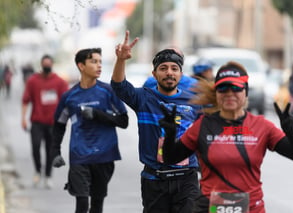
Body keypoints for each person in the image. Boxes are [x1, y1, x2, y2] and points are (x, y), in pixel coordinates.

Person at [159, 61, 293, 213]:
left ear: (246, 92)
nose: (229, 93)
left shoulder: (262, 126)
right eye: (223, 88)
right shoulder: (203, 125)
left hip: (251, 208)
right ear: (217, 93)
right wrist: (170, 135)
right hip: (209, 207)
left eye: (236, 88)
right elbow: (171, 158)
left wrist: (290, 131)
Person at [111, 31, 201, 213]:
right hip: (154, 180)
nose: (169, 72)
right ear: (154, 73)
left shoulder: (195, 103)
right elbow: (119, 87)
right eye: (163, 68)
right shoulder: (143, 98)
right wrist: (121, 60)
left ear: (181, 74)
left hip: (187, 180)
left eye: (174, 69)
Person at [50, 48, 129, 213]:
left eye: (100, 62)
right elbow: (59, 125)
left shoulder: (107, 92)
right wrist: (55, 152)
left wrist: (97, 114)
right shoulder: (69, 97)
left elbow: (124, 121)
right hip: (79, 155)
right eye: (94, 62)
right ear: (81, 66)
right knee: (82, 203)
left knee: (97, 204)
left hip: (105, 155)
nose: (99, 66)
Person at [21, 54, 69, 189]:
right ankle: (37, 171)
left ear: (52, 65)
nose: (47, 66)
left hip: (53, 123)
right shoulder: (33, 81)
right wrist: (23, 118)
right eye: (45, 64)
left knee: (50, 151)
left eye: (49, 64)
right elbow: (25, 100)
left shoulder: (59, 82)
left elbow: (67, 102)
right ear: (41, 65)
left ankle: (48, 176)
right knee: (35, 147)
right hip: (37, 121)